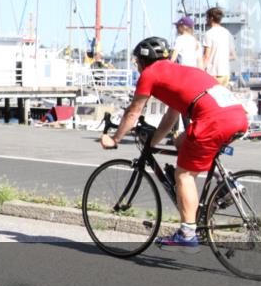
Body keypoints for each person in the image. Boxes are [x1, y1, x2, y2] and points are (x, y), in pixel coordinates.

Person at [100, 36, 248, 252]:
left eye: (137, 62)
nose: (137, 66)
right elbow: (171, 117)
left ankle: (187, 234)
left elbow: (133, 112)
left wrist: (114, 139)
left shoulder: (150, 74)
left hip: (212, 121)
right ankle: (226, 184)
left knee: (184, 175)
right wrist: (153, 143)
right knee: (181, 142)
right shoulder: (181, 71)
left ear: (142, 61)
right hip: (236, 116)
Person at [202, 7, 235, 87]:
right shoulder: (227, 33)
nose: (206, 19)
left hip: (213, 73)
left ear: (211, 18)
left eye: (207, 17)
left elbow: (206, 56)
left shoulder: (209, 34)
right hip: (225, 74)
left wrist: (199, 71)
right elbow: (233, 56)